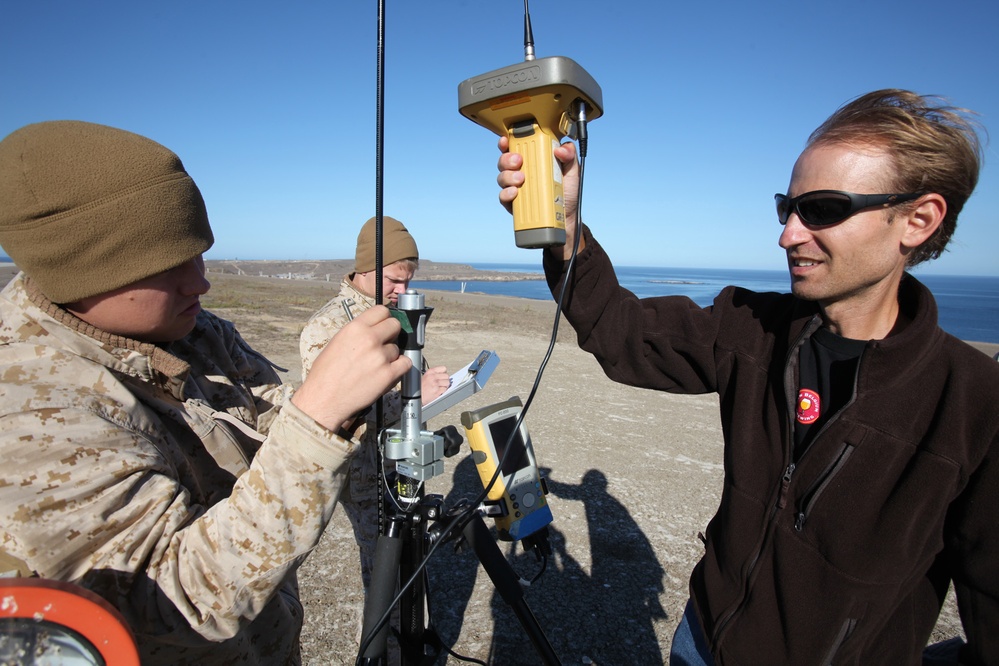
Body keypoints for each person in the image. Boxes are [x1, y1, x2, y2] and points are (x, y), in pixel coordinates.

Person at [494, 89, 999, 664]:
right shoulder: (753, 328)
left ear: (919, 219)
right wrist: (565, 224)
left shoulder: (973, 402)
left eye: (825, 209)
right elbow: (622, 331)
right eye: (788, 207)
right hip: (701, 642)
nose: (788, 235)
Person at [0, 120, 411, 665]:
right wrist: (316, 420)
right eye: (170, 265)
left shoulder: (194, 332)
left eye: (199, 254)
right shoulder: (30, 408)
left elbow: (272, 413)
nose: (200, 282)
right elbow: (171, 599)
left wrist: (341, 403)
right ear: (80, 271)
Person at [299, 217, 450, 611]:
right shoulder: (328, 327)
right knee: (384, 575)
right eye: (392, 281)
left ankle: (415, 631)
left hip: (405, 464)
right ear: (364, 268)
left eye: (408, 281)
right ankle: (389, 649)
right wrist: (414, 399)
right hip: (368, 478)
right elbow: (332, 413)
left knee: (412, 563)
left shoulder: (394, 313)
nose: (402, 291)